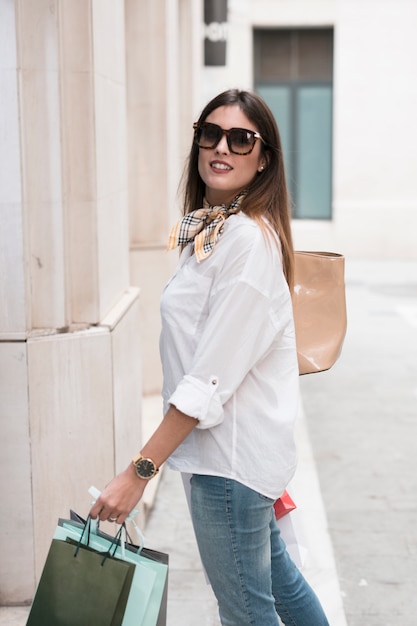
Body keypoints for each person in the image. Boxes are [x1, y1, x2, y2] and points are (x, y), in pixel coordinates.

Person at [90, 89, 330, 626]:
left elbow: (205, 380)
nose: (221, 146)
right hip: (230, 457)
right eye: (210, 133)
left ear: (263, 158)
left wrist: (138, 472)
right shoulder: (211, 232)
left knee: (246, 612)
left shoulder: (245, 243)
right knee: (281, 589)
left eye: (241, 138)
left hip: (229, 465)